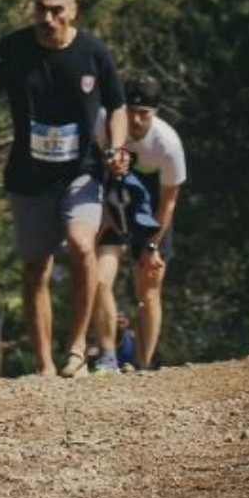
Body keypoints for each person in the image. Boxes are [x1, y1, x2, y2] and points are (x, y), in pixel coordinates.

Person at [0, 0, 127, 378]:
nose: (49, 18)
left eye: (58, 10)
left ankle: (76, 350)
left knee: (82, 246)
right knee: (36, 266)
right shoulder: (12, 50)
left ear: (73, 10)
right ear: (32, 8)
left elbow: (118, 105)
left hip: (82, 171)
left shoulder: (93, 53)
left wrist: (117, 148)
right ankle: (44, 366)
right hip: (29, 174)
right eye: (42, 9)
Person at [120, 73, 187, 369]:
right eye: (130, 112)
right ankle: (102, 354)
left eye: (143, 114)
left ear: (155, 113)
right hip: (114, 193)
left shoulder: (168, 143)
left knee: (148, 281)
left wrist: (151, 244)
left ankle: (144, 362)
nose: (135, 121)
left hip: (153, 203)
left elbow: (169, 200)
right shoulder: (108, 126)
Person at [91, 142, 160, 374]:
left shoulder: (153, 163)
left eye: (123, 157)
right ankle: (108, 356)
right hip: (111, 228)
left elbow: (164, 203)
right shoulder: (98, 167)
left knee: (147, 291)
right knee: (100, 282)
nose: (117, 161)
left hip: (146, 227)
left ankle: (145, 362)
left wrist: (152, 245)